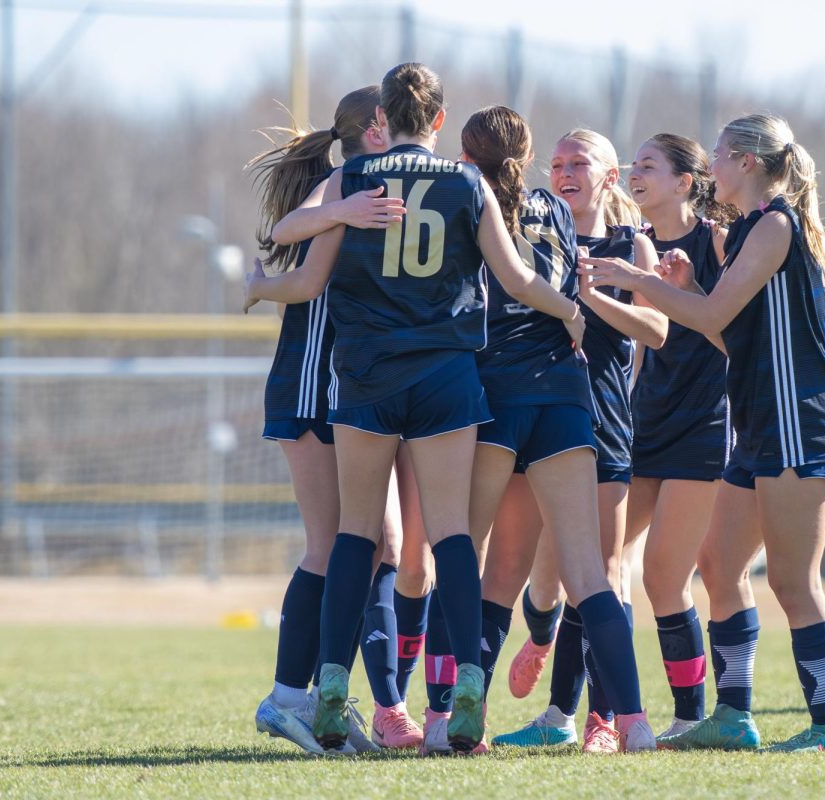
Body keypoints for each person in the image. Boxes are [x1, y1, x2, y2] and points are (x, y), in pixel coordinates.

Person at [243, 62, 584, 754]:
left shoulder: (354, 179)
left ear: (383, 120)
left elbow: (300, 264)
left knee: (354, 537)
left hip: (366, 377)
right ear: (435, 120)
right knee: (451, 536)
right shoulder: (467, 182)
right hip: (445, 378)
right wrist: (569, 310)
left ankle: (334, 683)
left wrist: (259, 285)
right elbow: (516, 277)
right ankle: (465, 684)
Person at [578, 113, 825, 755]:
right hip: (760, 425)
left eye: (722, 156)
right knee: (717, 564)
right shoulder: (751, 230)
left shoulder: (775, 224)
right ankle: (733, 716)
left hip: (797, 421)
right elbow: (719, 327)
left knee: (792, 582)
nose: (713, 168)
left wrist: (640, 282)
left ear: (750, 163)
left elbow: (707, 317)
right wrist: (686, 285)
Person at [454, 106, 656, 754]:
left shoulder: (471, 199)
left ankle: (452, 714)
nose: (566, 173)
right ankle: (631, 722)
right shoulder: (553, 213)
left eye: (580, 163)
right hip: (565, 402)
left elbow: (508, 284)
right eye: (558, 162)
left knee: (481, 566)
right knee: (583, 575)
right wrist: (572, 311)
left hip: (508, 397)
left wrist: (575, 306)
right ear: (535, 159)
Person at [246, 85, 422, 755]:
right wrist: (261, 286)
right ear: (378, 127)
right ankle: (291, 696)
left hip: (356, 390)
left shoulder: (381, 186)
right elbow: (298, 263)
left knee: (383, 546)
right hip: (314, 387)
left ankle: (352, 700)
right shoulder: (345, 185)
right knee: (337, 543)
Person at [622, 133, 737, 740]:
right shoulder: (627, 242)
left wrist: (687, 287)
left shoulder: (714, 243)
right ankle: (585, 714)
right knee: (598, 561)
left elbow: (730, 338)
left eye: (648, 165)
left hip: (703, 427)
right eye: (632, 163)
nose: (633, 173)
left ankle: (691, 714)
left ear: (685, 182)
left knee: (664, 576)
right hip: (642, 424)